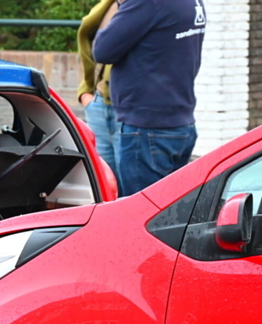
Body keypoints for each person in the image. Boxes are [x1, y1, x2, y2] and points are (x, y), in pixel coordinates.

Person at [93, 0, 206, 196]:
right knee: (169, 210)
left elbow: (102, 49)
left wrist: (122, 5)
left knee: (140, 213)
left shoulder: (146, 2)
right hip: (180, 122)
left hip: (147, 128)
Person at [77, 0, 121, 180]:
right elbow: (86, 34)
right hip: (99, 103)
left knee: (133, 189)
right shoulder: (109, 5)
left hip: (128, 109)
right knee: (104, 184)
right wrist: (86, 91)